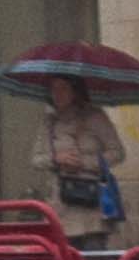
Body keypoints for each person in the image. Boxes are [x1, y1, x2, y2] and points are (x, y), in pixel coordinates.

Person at [38, 75, 129, 240]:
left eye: (63, 88)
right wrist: (56, 159)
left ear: (75, 91)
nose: (57, 94)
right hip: (62, 203)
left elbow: (117, 153)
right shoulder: (49, 122)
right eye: (53, 89)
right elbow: (36, 159)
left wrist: (84, 163)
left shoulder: (95, 117)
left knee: (94, 259)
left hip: (91, 204)